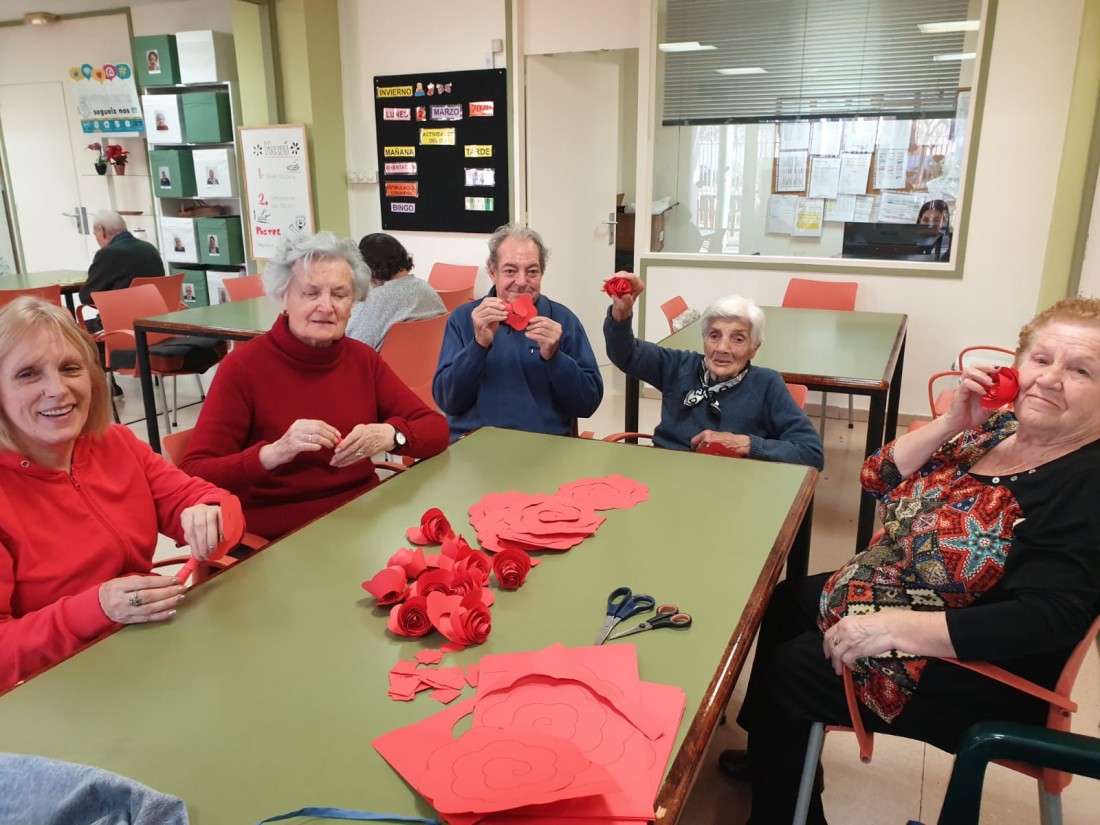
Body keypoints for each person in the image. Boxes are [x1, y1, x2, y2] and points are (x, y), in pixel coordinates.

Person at [722, 296, 1100, 824]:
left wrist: (896, 626)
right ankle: (775, 755)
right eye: (1041, 359)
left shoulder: (1084, 484)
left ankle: (783, 810)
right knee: (787, 601)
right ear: (1017, 365)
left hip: (977, 666)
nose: (1050, 379)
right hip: (911, 596)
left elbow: (1048, 617)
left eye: (1081, 370)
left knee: (793, 670)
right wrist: (951, 421)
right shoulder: (997, 427)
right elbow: (877, 476)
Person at [0, 297, 244, 692]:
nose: (57, 390)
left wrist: (211, 513)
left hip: (150, 651)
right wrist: (96, 609)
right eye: (28, 374)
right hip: (62, 688)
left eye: (70, 368)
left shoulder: (115, 442)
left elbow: (214, 503)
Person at [179, 232, 450, 540]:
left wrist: (391, 435)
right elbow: (194, 471)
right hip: (277, 539)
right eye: (310, 293)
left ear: (353, 303)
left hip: (362, 521)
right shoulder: (243, 368)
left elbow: (435, 429)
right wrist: (272, 453)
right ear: (284, 299)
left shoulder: (362, 359)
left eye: (340, 294)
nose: (327, 306)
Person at [603, 273, 823, 469]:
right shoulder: (679, 365)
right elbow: (626, 354)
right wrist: (621, 314)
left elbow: (811, 453)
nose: (722, 348)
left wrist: (745, 443)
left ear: (754, 348)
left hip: (729, 483)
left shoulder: (766, 384)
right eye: (714, 335)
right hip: (667, 472)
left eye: (738, 339)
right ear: (704, 338)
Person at [433, 224, 603, 441]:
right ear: (492, 271)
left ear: (542, 273)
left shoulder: (561, 321)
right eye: (510, 271)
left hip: (544, 446)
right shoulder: (464, 319)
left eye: (532, 272)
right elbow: (447, 402)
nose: (522, 282)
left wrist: (555, 358)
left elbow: (587, 404)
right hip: (475, 445)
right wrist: (478, 346)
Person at [345, 233, 445, 351]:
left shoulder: (376, 299)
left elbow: (350, 345)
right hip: (430, 361)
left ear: (369, 269)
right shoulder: (427, 289)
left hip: (383, 362)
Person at [79, 211, 164, 334]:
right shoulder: (150, 248)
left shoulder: (107, 254)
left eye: (95, 234)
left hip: (122, 326)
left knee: (71, 331)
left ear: (101, 231)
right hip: (156, 320)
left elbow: (87, 297)